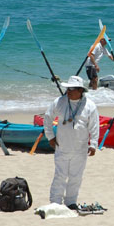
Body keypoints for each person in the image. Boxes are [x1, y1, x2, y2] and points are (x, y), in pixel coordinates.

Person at [43, 76, 99, 210]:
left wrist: (93, 144)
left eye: (71, 89)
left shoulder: (90, 105)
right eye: (67, 89)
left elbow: (94, 126)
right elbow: (47, 118)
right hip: (62, 146)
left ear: (80, 90)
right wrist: (50, 136)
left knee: (76, 176)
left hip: (80, 148)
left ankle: (70, 201)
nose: (68, 91)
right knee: (60, 175)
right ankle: (55, 201)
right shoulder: (59, 102)